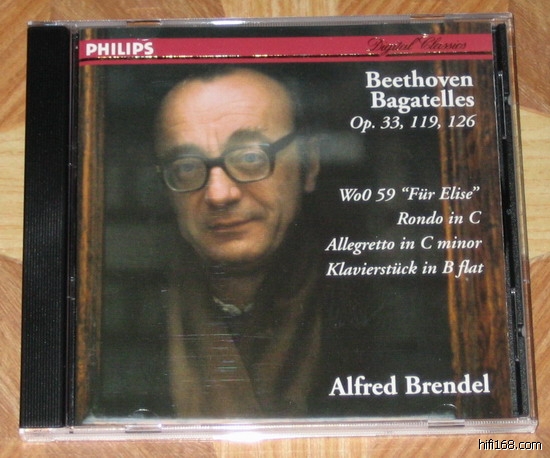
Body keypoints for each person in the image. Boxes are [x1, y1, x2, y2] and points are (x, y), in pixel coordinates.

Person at [154, 67, 325, 417]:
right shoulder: (122, 323)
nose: (219, 194)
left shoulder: (378, 311)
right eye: (186, 167)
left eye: (250, 158)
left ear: (308, 165)